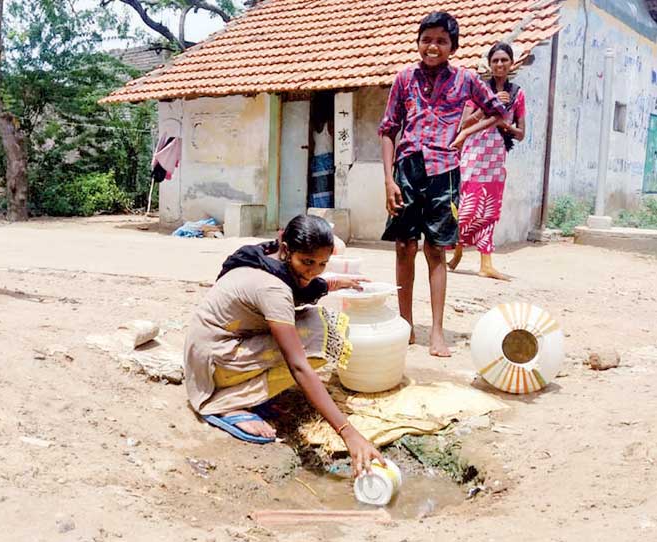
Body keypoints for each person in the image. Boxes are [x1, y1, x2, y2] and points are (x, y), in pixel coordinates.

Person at [184, 214, 383, 477]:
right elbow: (298, 366)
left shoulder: (268, 255)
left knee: (318, 325)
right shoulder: (273, 289)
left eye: (322, 263)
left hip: (210, 346)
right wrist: (348, 432)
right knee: (319, 340)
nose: (313, 271)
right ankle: (229, 402)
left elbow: (306, 285)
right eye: (307, 262)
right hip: (215, 361)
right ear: (287, 250)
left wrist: (335, 283)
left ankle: (247, 389)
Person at [379, 11, 507, 357]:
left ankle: (436, 331)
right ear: (418, 42)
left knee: (436, 250)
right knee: (404, 246)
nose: (432, 47)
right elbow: (389, 129)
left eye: (441, 41)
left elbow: (498, 110)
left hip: (445, 171)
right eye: (427, 39)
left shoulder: (466, 79)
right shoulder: (404, 78)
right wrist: (389, 180)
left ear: (453, 46)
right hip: (407, 169)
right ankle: (405, 325)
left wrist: (465, 131)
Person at [448, 42, 527, 280]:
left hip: (496, 154)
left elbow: (521, 133)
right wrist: (489, 104)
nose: (500, 64)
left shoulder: (517, 94)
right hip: (474, 152)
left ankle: (486, 263)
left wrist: (502, 120)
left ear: (511, 64)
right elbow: (464, 124)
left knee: (489, 207)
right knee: (467, 204)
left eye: (504, 60)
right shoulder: (479, 89)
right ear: (490, 64)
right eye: (496, 60)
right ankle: (458, 251)